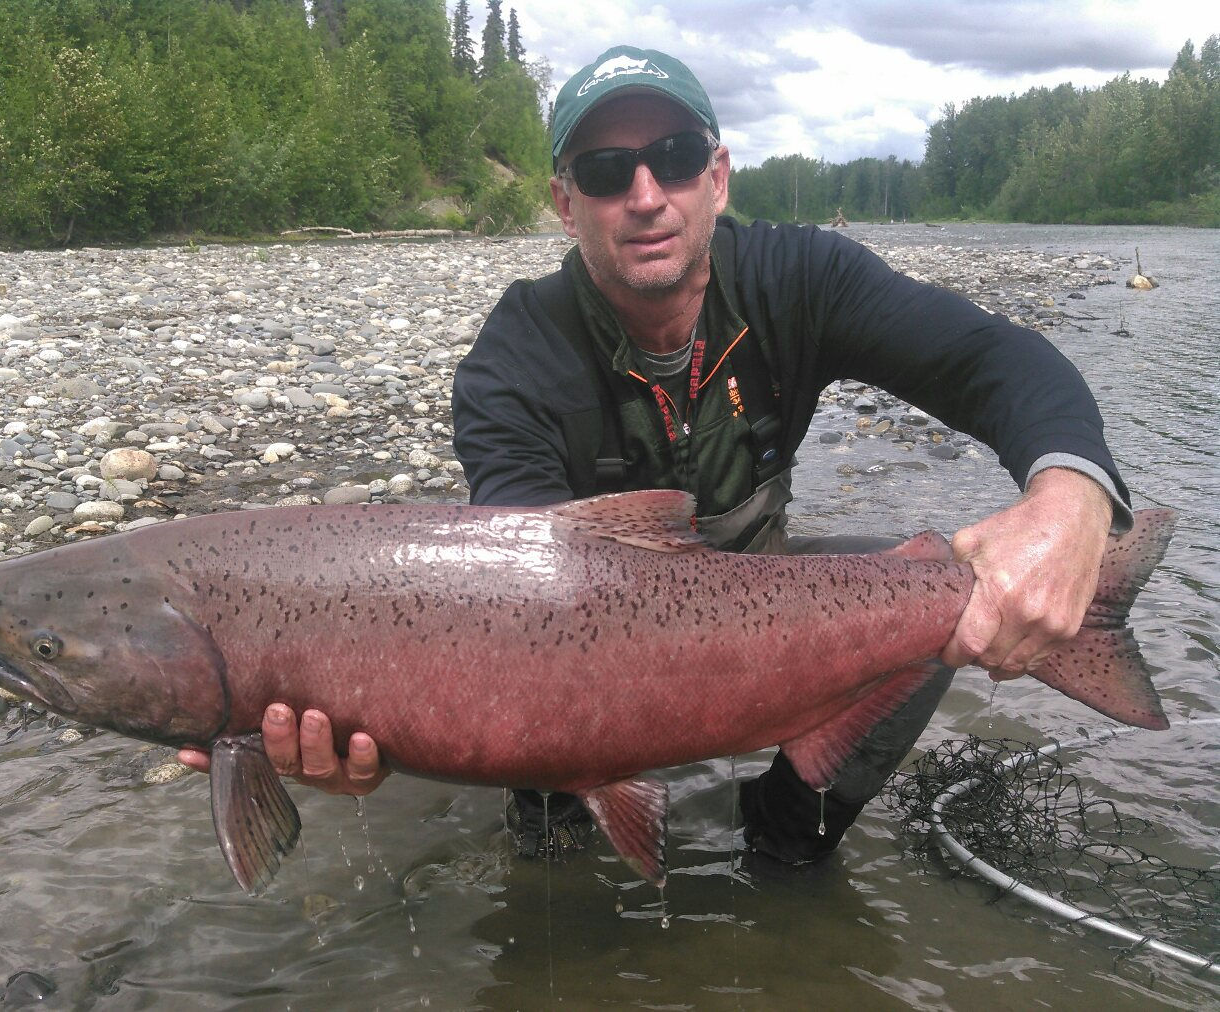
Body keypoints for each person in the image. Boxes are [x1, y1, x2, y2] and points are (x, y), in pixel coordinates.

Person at [181, 45, 1129, 865]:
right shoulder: (512, 363)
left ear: (717, 177)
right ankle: (562, 847)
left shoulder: (804, 278)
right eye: (604, 170)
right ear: (563, 202)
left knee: (933, 589)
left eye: (674, 159)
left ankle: (792, 828)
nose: (645, 196)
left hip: (745, 591)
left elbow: (991, 360)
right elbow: (515, 623)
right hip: (564, 648)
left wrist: (1071, 500)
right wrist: (383, 712)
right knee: (550, 830)